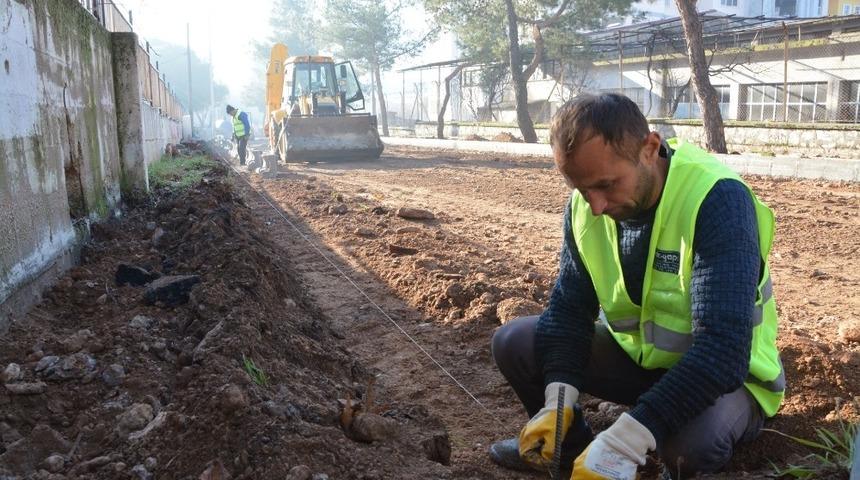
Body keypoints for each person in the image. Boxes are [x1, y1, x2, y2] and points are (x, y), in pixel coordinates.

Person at [489, 93, 783, 479]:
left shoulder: (716, 200)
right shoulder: (586, 208)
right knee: (516, 342)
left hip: (730, 380)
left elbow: (723, 350)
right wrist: (557, 399)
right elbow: (569, 312)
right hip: (646, 365)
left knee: (686, 451)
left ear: (650, 149)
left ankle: (628, 445)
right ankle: (571, 454)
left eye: (607, 185)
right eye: (581, 189)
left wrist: (627, 436)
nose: (595, 206)